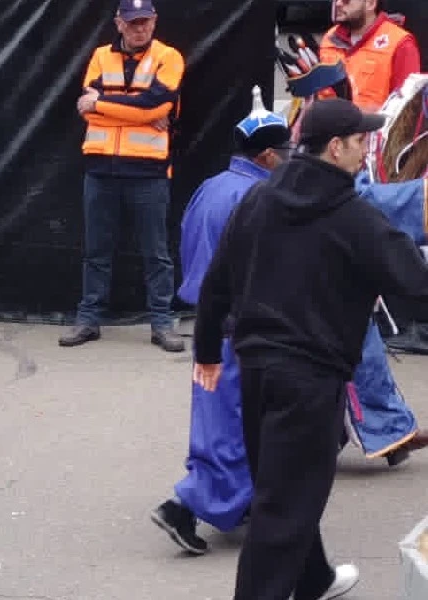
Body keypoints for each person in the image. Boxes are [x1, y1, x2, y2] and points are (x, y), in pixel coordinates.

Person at [192, 98, 428, 599]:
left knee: (283, 487)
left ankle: (314, 578)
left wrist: (208, 351)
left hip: (255, 372)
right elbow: (417, 286)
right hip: (311, 381)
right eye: (362, 141)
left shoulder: (258, 199)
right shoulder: (356, 219)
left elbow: (217, 281)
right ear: (335, 147)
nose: (367, 151)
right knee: (281, 512)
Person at [151, 90, 293, 555]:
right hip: (242, 330)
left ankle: (243, 502)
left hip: (209, 327)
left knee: (217, 422)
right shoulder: (260, 196)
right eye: (285, 154)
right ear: (269, 154)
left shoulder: (211, 186)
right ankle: (183, 507)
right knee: (235, 426)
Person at [61, 0, 185, 352]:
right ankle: (89, 319)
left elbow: (157, 107)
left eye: (145, 21)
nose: (139, 28)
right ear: (119, 23)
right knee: (96, 250)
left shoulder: (169, 57)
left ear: (155, 21)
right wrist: (139, 111)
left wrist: (103, 104)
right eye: (132, 22)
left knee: (155, 252)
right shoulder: (101, 56)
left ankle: (161, 322)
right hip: (100, 169)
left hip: (149, 171)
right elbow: (89, 113)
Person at [320, 0, 421, 112]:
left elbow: (406, 110)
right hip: (327, 127)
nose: (338, 4)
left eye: (346, 1)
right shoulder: (329, 38)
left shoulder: (400, 43)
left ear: (370, 3)